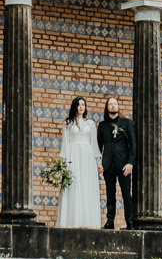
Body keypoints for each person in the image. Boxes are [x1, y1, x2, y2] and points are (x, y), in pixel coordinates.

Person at [56, 95, 102, 228]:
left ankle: (88, 221)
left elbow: (94, 144)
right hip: (73, 155)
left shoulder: (91, 124)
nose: (81, 107)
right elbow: (65, 143)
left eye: (83, 104)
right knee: (74, 186)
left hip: (87, 157)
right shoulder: (67, 123)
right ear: (75, 106)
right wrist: (63, 163)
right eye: (79, 104)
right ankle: (72, 221)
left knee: (86, 186)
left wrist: (98, 161)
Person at [98, 94, 136, 229]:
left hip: (123, 164)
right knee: (110, 193)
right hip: (108, 164)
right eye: (110, 104)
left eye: (115, 103)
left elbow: (133, 145)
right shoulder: (102, 126)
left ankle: (130, 223)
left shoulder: (126, 123)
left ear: (118, 106)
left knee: (126, 194)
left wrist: (130, 163)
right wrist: (99, 162)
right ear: (107, 107)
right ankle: (110, 221)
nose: (113, 105)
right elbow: (98, 146)